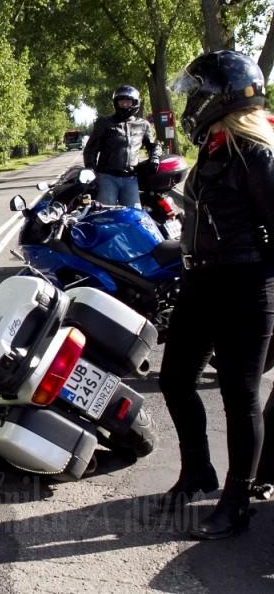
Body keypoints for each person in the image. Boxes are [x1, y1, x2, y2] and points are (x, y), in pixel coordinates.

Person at [158, 50, 274, 540]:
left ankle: (237, 499)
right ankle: (198, 471)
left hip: (247, 284)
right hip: (203, 278)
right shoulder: (215, 145)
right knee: (174, 378)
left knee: (239, 396)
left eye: (198, 92)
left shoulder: (256, 151)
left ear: (219, 96)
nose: (192, 102)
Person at [82, 85, 160, 208]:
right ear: (116, 103)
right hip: (107, 177)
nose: (124, 104)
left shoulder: (143, 125)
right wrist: (92, 171)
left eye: (128, 101)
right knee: (106, 215)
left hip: (131, 178)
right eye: (121, 101)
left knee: (134, 216)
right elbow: (91, 149)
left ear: (135, 103)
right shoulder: (104, 122)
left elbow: (154, 145)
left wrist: (155, 157)